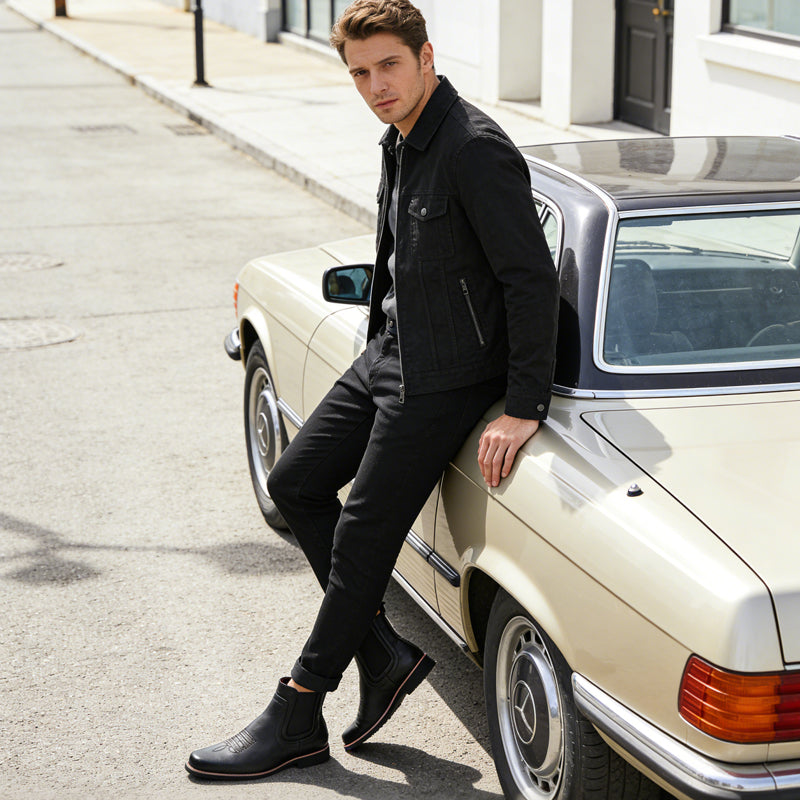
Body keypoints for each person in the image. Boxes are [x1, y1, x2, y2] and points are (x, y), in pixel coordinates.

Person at [186, 0, 558, 780]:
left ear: (427, 57)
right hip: (391, 353)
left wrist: (524, 406)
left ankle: (298, 709)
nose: (375, 85)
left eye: (389, 65)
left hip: (446, 378)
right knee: (294, 482)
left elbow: (530, 280)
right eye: (360, 73)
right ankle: (383, 655)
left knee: (361, 534)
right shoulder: (402, 137)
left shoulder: (473, 149)